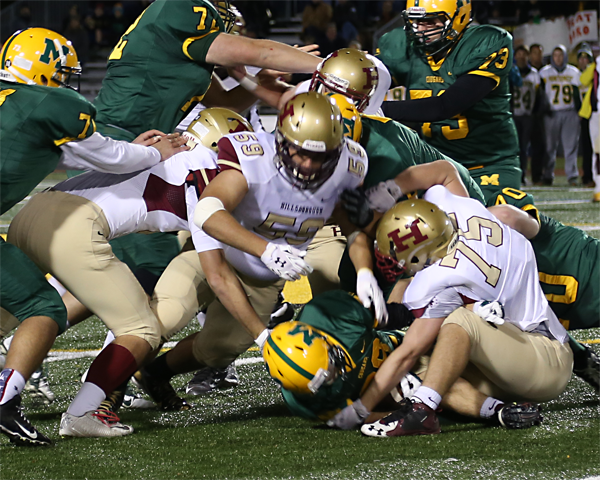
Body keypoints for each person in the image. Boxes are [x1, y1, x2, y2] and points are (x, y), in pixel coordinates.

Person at [7, 108, 251, 438]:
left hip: (32, 214)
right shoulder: (203, 173)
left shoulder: (166, 150)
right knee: (142, 327)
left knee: (9, 316)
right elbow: (216, 261)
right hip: (75, 224)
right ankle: (83, 412)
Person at [0, 27, 186, 446]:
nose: (68, 81)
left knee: (9, 310)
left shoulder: (16, 104)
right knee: (42, 307)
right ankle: (10, 401)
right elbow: (109, 155)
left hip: (32, 218)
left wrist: (131, 151)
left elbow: (90, 154)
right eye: (63, 72)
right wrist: (157, 152)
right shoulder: (50, 102)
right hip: (68, 223)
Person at [134, 92, 368, 410]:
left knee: (219, 348)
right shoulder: (254, 155)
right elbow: (208, 212)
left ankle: (153, 374)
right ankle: (107, 389)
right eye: (300, 153)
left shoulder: (348, 167)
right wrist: (267, 249)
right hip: (215, 252)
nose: (309, 164)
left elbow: (352, 225)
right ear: (282, 140)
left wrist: (365, 270)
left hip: (264, 277)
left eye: (321, 156)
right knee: (167, 313)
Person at [328, 186, 572, 434]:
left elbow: (409, 350)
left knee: (448, 327)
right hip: (515, 352)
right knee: (426, 369)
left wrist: (360, 410)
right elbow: (444, 172)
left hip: (544, 359)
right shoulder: (459, 208)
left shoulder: (434, 280)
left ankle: (421, 412)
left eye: (396, 251)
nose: (389, 255)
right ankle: (498, 411)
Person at [375, 0, 521, 201]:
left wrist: (378, 110)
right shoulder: (404, 47)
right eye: (416, 21)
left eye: (431, 21)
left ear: (459, 17)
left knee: (487, 226)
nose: (421, 29)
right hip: (433, 165)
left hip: (486, 164)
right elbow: (369, 83)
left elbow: (445, 106)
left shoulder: (484, 44)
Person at [539, 45, 581, 186]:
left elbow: (578, 94)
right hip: (552, 113)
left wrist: (579, 111)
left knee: (570, 146)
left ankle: (572, 176)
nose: (558, 58)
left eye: (560, 55)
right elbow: (540, 94)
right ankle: (547, 175)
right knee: (550, 147)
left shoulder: (574, 72)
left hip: (570, 112)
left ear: (565, 56)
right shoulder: (544, 73)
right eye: (555, 55)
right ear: (552, 57)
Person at [512, 45, 540, 185]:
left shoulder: (534, 74)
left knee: (524, 147)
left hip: (527, 115)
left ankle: (522, 174)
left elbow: (539, 96)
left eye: (524, 54)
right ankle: (514, 175)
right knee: (514, 148)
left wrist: (535, 113)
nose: (521, 57)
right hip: (513, 115)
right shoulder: (510, 72)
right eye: (519, 54)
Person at [577, 44, 595, 188]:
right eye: (581, 58)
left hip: (594, 113)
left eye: (586, 58)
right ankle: (588, 176)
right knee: (588, 147)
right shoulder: (593, 68)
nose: (584, 61)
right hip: (589, 114)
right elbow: (583, 80)